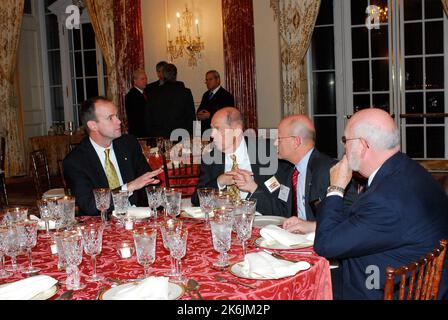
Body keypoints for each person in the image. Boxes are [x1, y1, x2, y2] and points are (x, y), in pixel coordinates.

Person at [313, 108, 448, 299]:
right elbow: (364, 223)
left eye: (345, 141)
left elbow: (325, 245)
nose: (343, 147)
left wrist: (335, 188)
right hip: (406, 277)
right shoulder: (409, 170)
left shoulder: (385, 200)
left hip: (379, 289)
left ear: (362, 145)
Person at [63, 96, 163, 216]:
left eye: (116, 116)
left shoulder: (128, 144)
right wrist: (128, 188)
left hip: (138, 217)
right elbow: (89, 205)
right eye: (110, 118)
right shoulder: (76, 161)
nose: (119, 121)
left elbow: (149, 182)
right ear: (93, 125)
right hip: (102, 224)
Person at [191, 107, 281, 215]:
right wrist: (219, 182)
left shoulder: (266, 152)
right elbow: (196, 200)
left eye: (218, 129)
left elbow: (279, 203)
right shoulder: (210, 159)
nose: (211, 135)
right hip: (224, 222)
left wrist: (253, 188)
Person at [146, 63, 195, 138]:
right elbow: (191, 117)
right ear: (175, 75)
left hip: (160, 136)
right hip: (181, 136)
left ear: (163, 75)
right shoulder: (185, 92)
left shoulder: (153, 93)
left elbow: (148, 118)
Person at [125, 69, 149, 138]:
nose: (145, 81)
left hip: (146, 131)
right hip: (139, 133)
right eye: (142, 79)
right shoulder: (131, 96)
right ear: (135, 81)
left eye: (146, 79)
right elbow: (137, 117)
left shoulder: (146, 93)